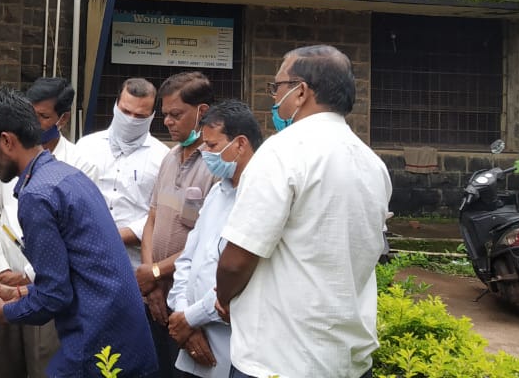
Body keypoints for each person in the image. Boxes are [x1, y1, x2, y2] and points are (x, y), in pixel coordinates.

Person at [216, 45, 392, 378]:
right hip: (348, 361)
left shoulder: (281, 152)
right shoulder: (372, 164)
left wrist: (224, 297)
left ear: (300, 92)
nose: (274, 97)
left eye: (277, 87)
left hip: (279, 359)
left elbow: (236, 260)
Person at [0, 87, 157, 378]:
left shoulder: (37, 194)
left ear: (7, 141)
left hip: (98, 345)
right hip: (123, 337)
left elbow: (55, 295)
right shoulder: (66, 175)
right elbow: (72, 274)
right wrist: (19, 292)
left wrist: (2, 312)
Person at [0, 77, 99, 378]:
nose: (33, 122)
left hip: (45, 291)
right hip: (2, 282)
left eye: (42, 116)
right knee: (2, 366)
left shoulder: (77, 165)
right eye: (30, 113)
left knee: (43, 366)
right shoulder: (5, 156)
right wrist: (1, 267)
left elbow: (73, 241)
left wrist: (29, 276)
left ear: (62, 119)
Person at [166, 100, 264, 378]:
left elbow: (241, 277)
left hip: (232, 347)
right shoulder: (217, 192)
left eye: (211, 146)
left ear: (240, 144)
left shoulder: (260, 198)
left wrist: (189, 319)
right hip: (191, 340)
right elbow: (187, 259)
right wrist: (183, 317)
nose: (205, 154)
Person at [139, 72, 217, 377]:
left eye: (176, 114)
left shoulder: (216, 164)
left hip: (190, 303)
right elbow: (152, 219)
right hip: (156, 296)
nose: (168, 122)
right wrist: (151, 279)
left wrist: (156, 272)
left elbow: (208, 244)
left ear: (202, 112)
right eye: (165, 114)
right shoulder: (169, 158)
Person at [75, 78, 168, 267]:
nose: (131, 120)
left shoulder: (163, 157)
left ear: (151, 116)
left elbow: (162, 213)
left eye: (140, 116)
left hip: (133, 262)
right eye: (125, 112)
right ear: (116, 106)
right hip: (84, 255)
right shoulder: (85, 147)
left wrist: (119, 235)